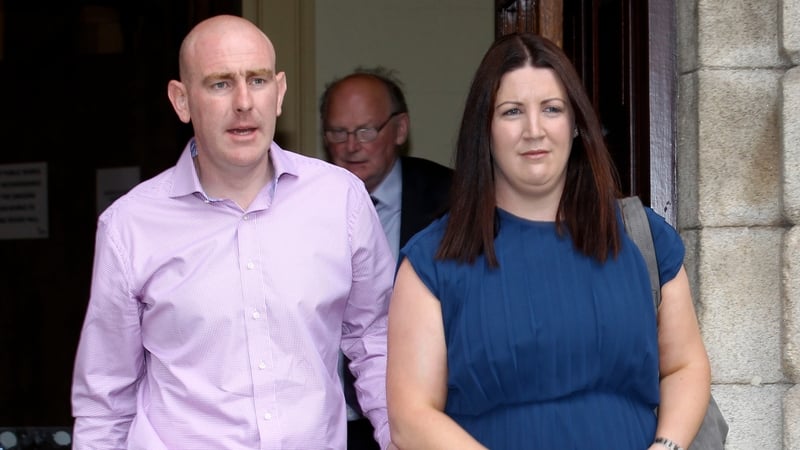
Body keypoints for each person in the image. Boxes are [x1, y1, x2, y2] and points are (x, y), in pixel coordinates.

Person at [71, 15, 396, 450]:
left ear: (279, 92)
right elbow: (105, 400)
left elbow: (376, 342)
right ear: (181, 101)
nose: (244, 102)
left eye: (257, 80)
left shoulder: (341, 200)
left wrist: (401, 436)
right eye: (220, 84)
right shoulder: (129, 226)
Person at [386, 32, 712, 450]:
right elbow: (411, 417)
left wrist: (665, 448)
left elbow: (685, 365)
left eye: (552, 109)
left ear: (575, 124)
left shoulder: (641, 237)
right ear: (483, 130)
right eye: (511, 112)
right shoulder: (432, 261)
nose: (534, 130)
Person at [320, 67, 453, 449]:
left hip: (430, 412)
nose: (350, 146)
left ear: (399, 129)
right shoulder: (302, 203)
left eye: (365, 131)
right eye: (337, 133)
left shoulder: (452, 200)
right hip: (334, 422)